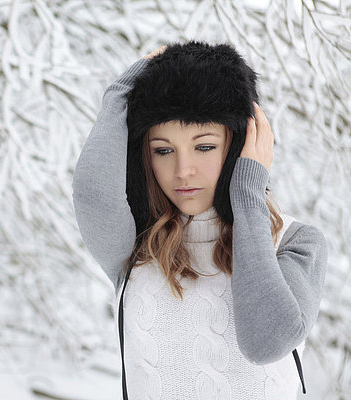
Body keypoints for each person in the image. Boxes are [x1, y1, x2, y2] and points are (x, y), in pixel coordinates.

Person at [71, 40, 328, 400]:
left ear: (240, 145)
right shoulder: (134, 246)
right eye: (163, 150)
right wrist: (119, 93)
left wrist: (247, 197)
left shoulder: (294, 242)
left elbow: (265, 342)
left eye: (204, 146)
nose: (183, 171)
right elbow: (92, 194)